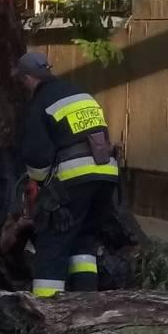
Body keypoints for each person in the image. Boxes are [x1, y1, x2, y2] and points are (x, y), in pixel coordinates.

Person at [15, 51, 119, 298]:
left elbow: (36, 153)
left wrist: (39, 186)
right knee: (84, 240)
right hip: (107, 175)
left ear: (28, 78)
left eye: (22, 81)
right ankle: (86, 303)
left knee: (53, 240)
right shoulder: (80, 93)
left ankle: (46, 308)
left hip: (75, 176)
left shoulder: (40, 103)